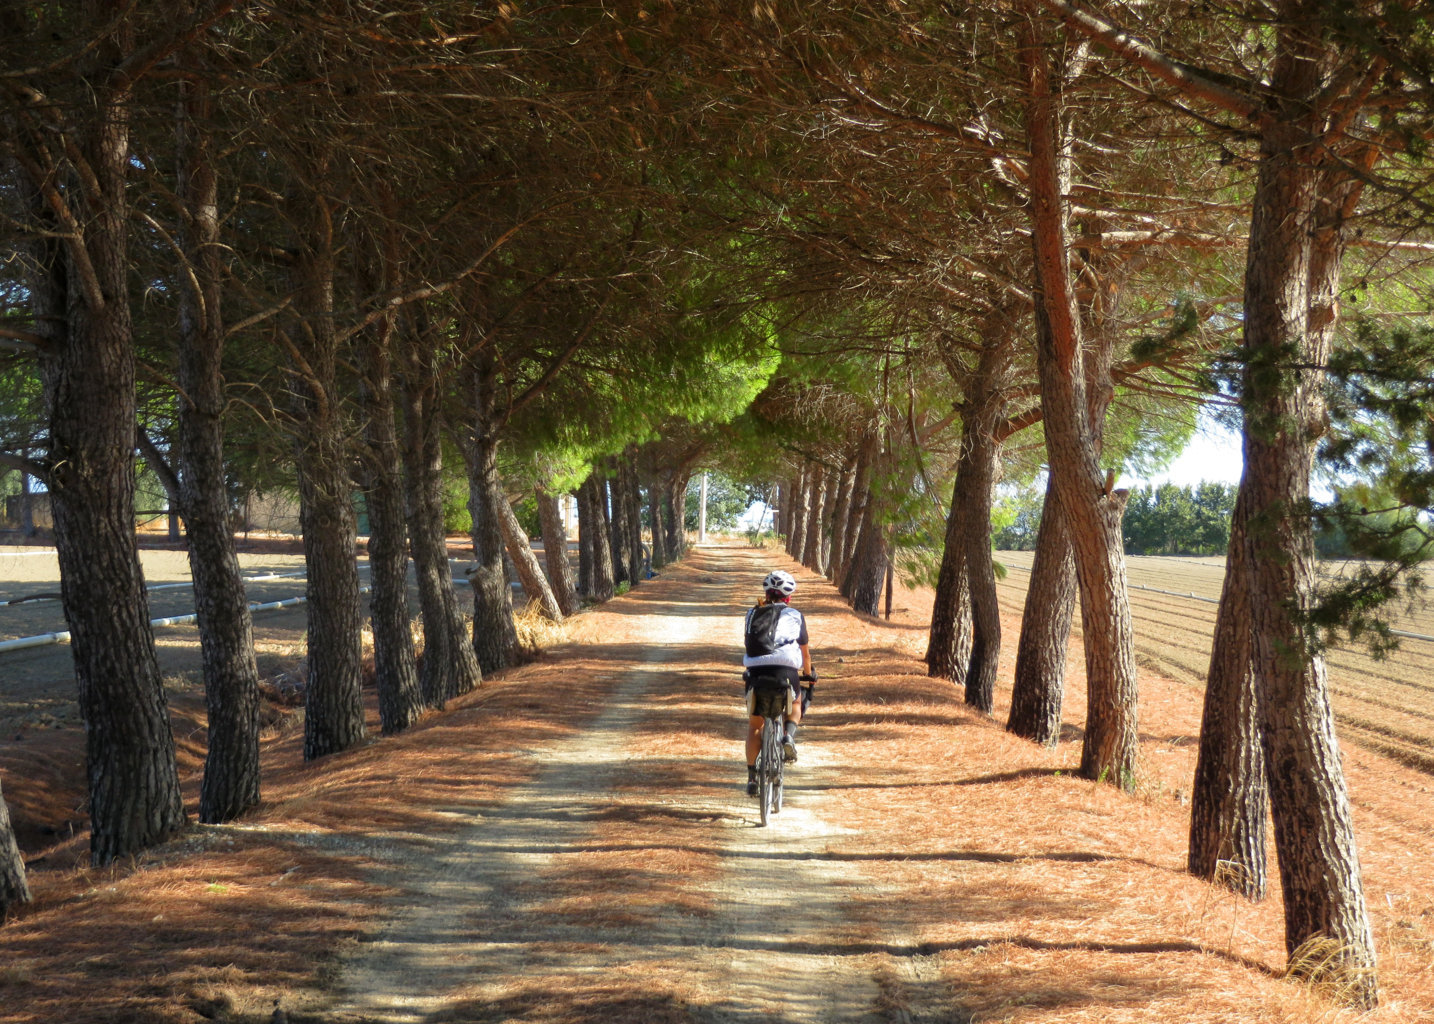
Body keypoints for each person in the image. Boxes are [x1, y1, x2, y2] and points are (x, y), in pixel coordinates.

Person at [742, 568, 816, 796]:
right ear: (788, 597)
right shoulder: (795, 615)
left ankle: (752, 776)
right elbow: (804, 654)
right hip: (785, 670)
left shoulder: (751, 614)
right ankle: (787, 736)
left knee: (755, 726)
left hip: (755, 671)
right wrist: (809, 673)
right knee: (796, 702)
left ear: (766, 593)